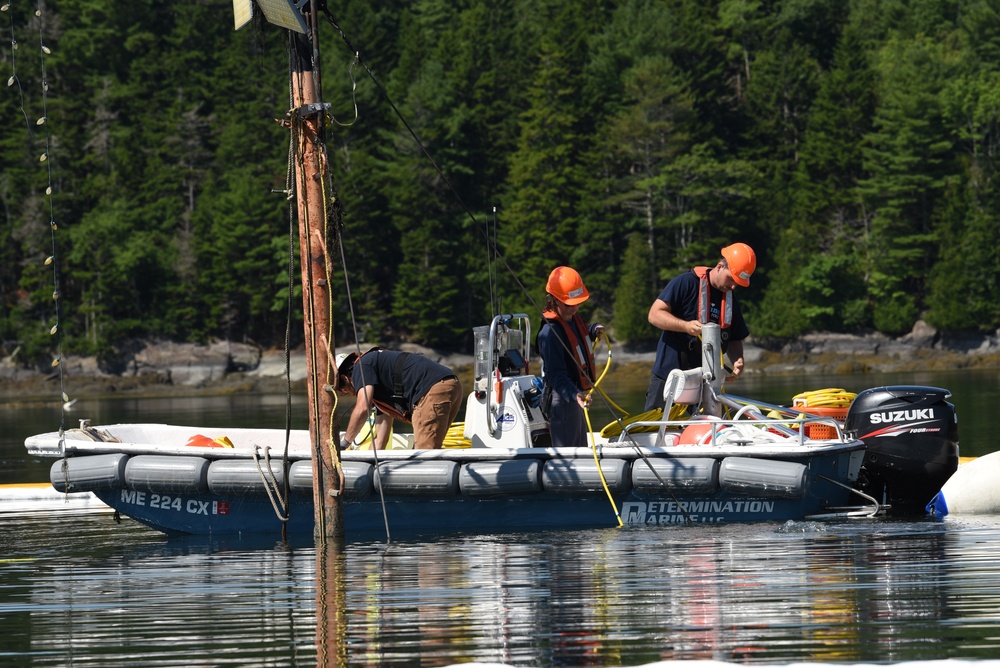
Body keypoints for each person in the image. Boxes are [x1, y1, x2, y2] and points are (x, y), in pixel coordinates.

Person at [644, 242, 756, 412]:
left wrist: (737, 360)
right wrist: (685, 326)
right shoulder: (685, 283)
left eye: (738, 283)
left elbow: (734, 337)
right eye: (732, 279)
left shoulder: (731, 300)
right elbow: (654, 314)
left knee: (700, 430)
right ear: (720, 266)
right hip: (669, 377)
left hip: (703, 382)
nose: (733, 286)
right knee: (656, 429)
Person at [335, 348, 463, 450]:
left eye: (343, 389)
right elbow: (381, 438)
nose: (350, 394)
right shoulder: (379, 381)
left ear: (345, 378)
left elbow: (363, 407)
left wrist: (344, 443)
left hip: (432, 388)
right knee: (428, 448)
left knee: (424, 454)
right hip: (450, 384)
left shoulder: (361, 366)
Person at [537, 266, 605, 448]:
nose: (574, 308)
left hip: (575, 396)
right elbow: (555, 374)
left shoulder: (571, 318)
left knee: (580, 446)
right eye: (569, 304)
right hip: (563, 399)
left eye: (578, 303)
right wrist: (574, 395)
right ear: (554, 300)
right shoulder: (549, 334)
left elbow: (576, 336)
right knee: (570, 453)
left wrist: (592, 329)